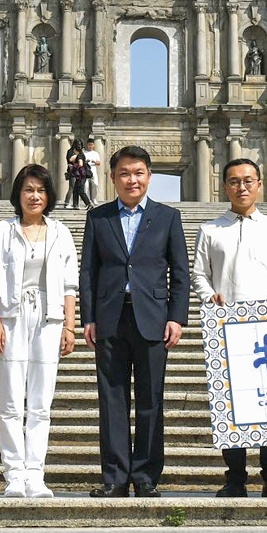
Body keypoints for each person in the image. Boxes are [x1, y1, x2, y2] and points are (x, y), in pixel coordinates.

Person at [80, 145, 190, 498]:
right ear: (112, 177)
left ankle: (145, 477)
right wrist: (88, 318)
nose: (132, 180)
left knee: (150, 400)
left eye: (139, 173)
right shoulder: (98, 218)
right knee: (111, 400)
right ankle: (114, 477)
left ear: (149, 176)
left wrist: (177, 317)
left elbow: (180, 273)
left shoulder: (168, 217)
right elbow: (88, 272)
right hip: (110, 317)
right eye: (124, 173)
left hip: (153, 318)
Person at [193, 158, 267, 498]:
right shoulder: (210, 230)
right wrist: (209, 296)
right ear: (224, 187)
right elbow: (200, 275)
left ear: (259, 184)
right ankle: (235, 477)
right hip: (226, 328)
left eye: (248, 180)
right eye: (234, 181)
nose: (242, 187)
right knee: (230, 405)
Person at [0, 165, 78, 498]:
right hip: (10, 317)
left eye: (41, 190)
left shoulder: (60, 232)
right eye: (28, 190)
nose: (35, 196)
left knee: (40, 403)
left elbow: (69, 285)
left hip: (48, 319)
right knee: (9, 401)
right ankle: (14, 474)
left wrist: (69, 326)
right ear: (18, 194)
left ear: (49, 195)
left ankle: (35, 473)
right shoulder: (1, 231)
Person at [62, 140, 84, 208]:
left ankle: (75, 204)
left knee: (76, 188)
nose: (79, 146)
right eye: (78, 144)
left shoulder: (80, 152)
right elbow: (70, 160)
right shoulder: (70, 151)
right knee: (71, 187)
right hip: (73, 171)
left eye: (80, 144)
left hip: (79, 172)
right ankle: (66, 203)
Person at [83, 139, 102, 206]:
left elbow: (99, 163)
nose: (90, 146)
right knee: (86, 186)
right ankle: (87, 200)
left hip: (93, 169)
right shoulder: (84, 153)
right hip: (86, 169)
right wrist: (86, 161)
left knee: (95, 184)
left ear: (93, 145)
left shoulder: (95, 153)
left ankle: (93, 198)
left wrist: (94, 162)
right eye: (89, 145)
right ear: (87, 145)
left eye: (91, 145)